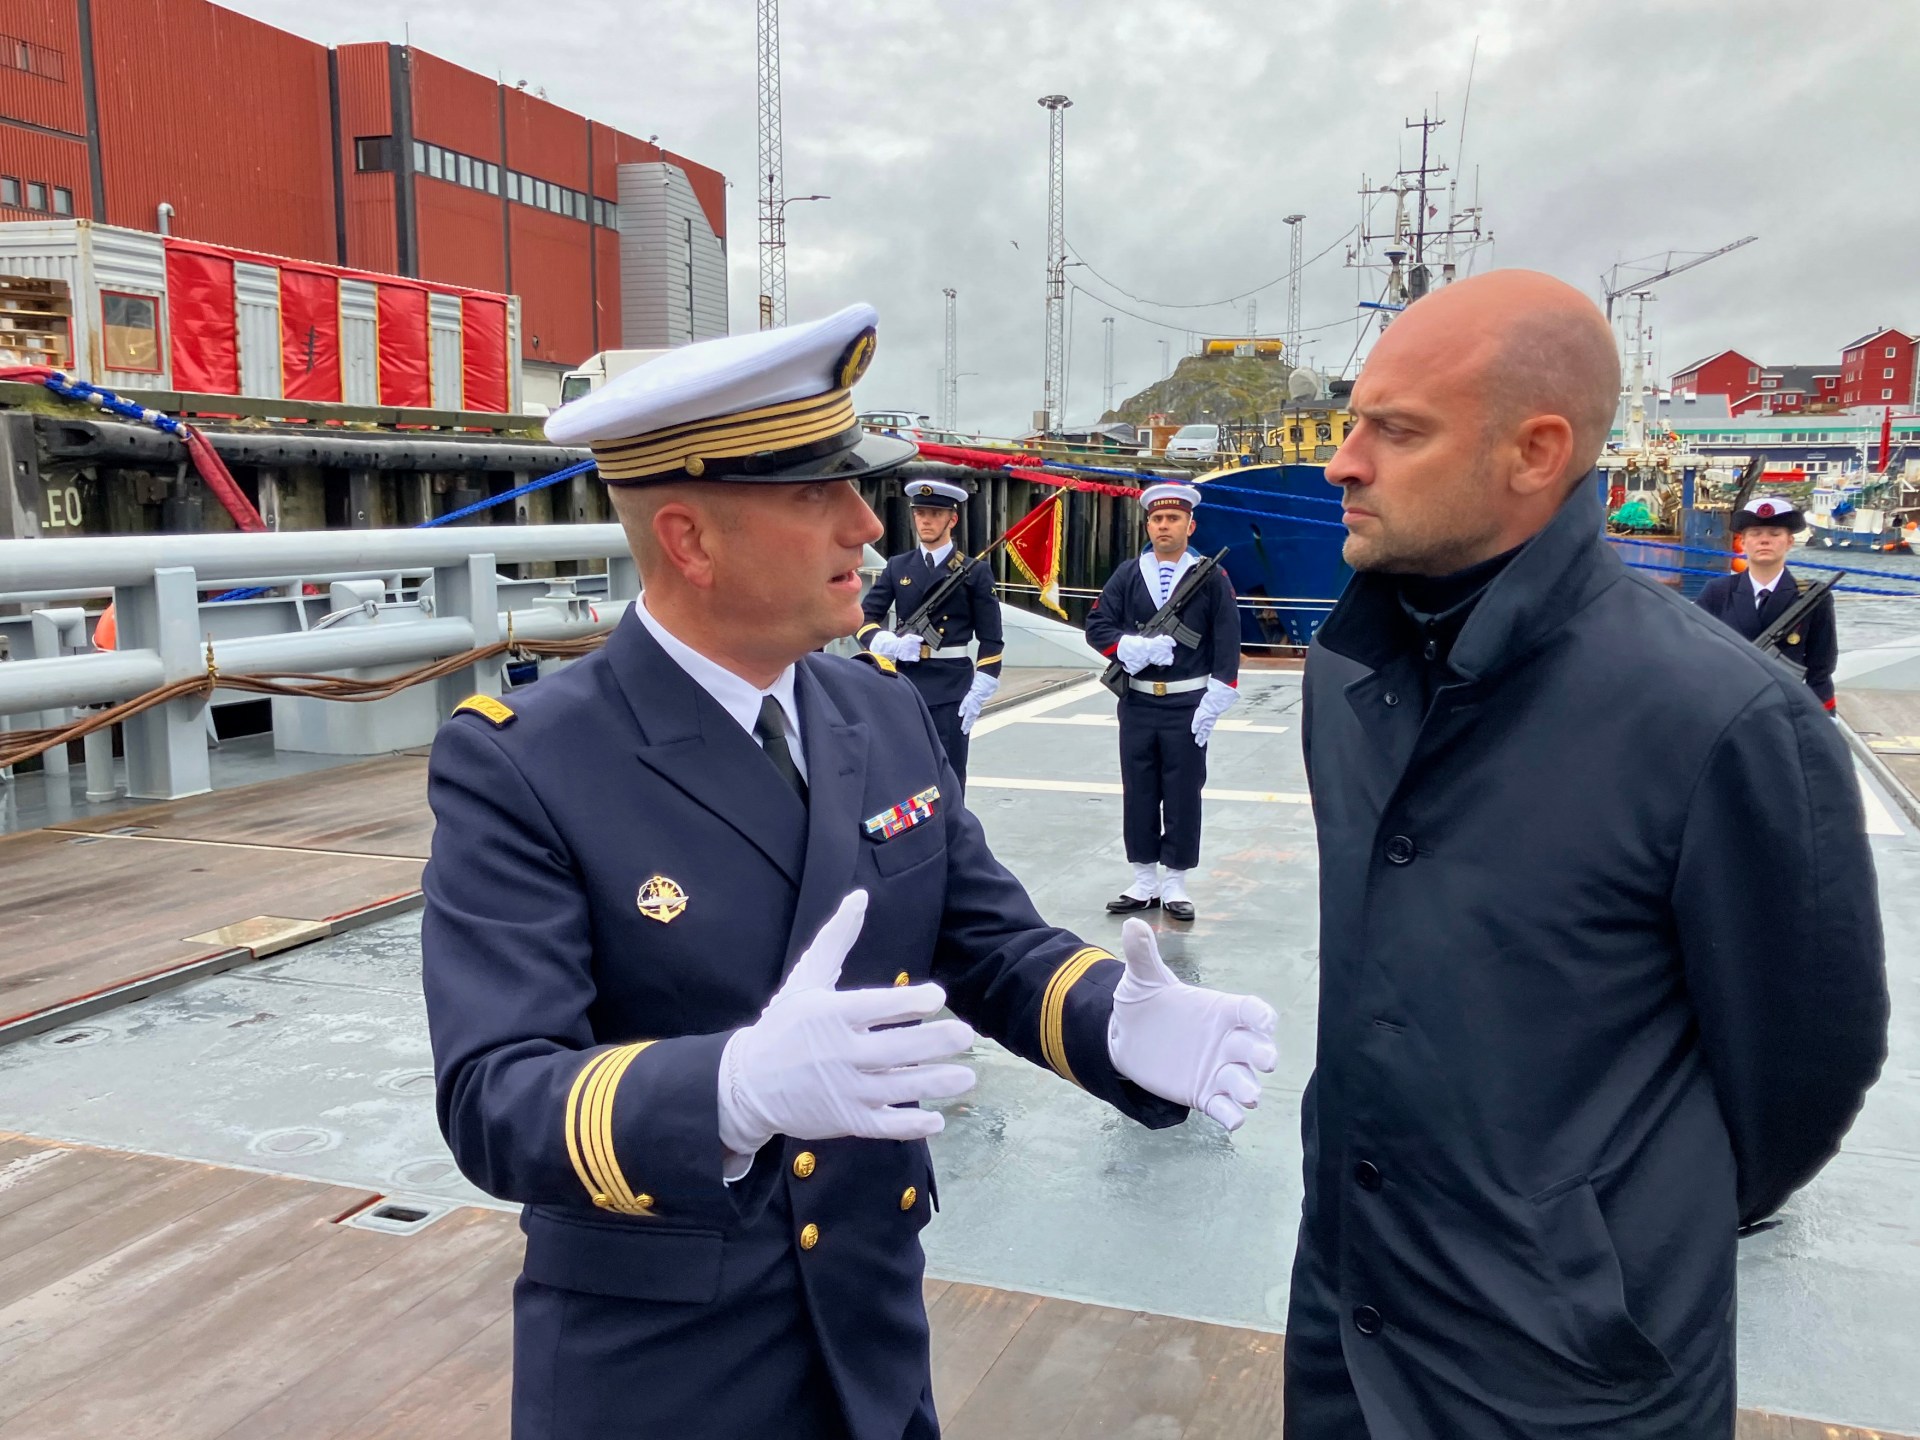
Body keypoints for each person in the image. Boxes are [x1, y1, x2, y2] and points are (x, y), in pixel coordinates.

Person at [418, 304, 1280, 1440]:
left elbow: (985, 943)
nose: (865, 525)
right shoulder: (525, 762)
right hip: (663, 1370)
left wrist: (1113, 1020)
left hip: (872, 1330)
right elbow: (494, 1099)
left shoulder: (875, 711)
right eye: (816, 494)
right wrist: (729, 1090)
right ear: (689, 540)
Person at [1290, 269, 1888, 1439]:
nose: (1342, 463)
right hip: (1350, 1333)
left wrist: (1589, 1251)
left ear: (1536, 452)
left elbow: (1804, 1071)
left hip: (1572, 1379)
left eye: (1394, 431)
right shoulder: (1348, 677)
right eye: (1354, 424)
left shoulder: (1721, 720)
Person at [1084, 482, 1241, 922]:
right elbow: (1097, 625)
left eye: (1173, 518)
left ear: (1190, 526)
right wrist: (1129, 647)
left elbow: (1227, 637)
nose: (1164, 526)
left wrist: (1218, 694)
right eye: (1156, 519)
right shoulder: (1128, 574)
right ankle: (1143, 879)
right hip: (1138, 702)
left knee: (1183, 792)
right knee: (1138, 790)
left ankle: (1175, 881)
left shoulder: (1210, 576)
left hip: (1187, 704)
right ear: (1148, 525)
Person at [856, 476, 1003, 786]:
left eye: (935, 514)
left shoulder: (974, 572)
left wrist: (981, 688)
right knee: (903, 774)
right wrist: (888, 643)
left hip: (952, 686)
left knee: (948, 777)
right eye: (920, 513)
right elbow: (864, 618)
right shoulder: (898, 566)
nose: (926, 520)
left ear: (952, 520)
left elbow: (991, 639)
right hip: (905, 682)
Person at [1694, 496, 1838, 710]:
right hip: (1728, 708)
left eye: (1775, 533)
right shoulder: (1717, 592)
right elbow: (1697, 655)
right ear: (1742, 542)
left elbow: (1821, 670)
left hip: (1786, 711)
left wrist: (1821, 719)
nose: (1764, 540)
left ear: (1789, 542)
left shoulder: (1812, 598)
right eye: (1755, 533)